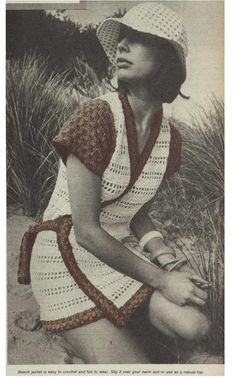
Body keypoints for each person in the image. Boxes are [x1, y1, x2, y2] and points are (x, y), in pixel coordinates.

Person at [18, 2, 211, 364]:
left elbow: (138, 215)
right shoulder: (96, 116)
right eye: (121, 39)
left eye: (136, 39)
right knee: (131, 368)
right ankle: (79, 332)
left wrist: (169, 263)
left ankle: (115, 320)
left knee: (195, 325)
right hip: (64, 250)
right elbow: (87, 231)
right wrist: (161, 280)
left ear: (168, 58)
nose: (121, 46)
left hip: (119, 251)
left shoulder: (170, 138)